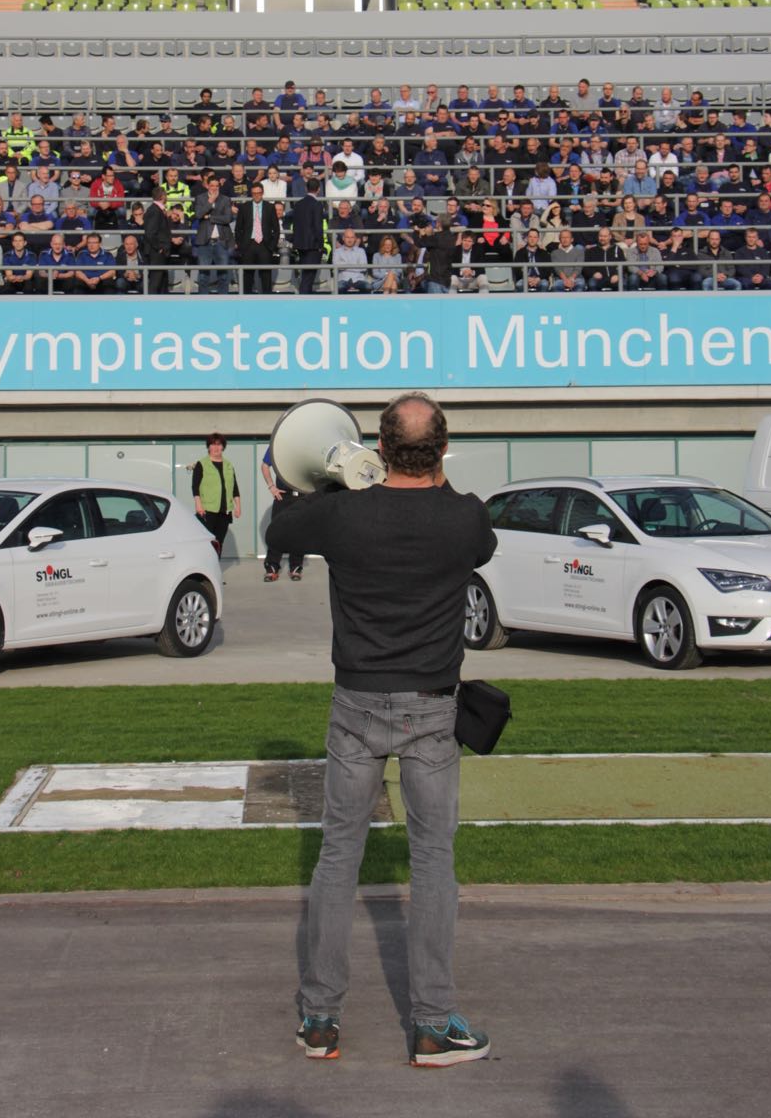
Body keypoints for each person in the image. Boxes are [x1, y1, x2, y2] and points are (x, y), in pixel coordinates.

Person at [265, 393, 496, 1067]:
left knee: (338, 857)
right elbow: (474, 534)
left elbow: (280, 531)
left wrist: (312, 479)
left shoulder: (343, 514)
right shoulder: (464, 517)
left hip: (356, 705)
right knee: (432, 862)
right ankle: (430, 1024)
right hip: (430, 712)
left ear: (382, 447)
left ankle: (319, 1018)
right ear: (441, 449)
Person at [260, 446, 304, 582]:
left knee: (299, 533)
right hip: (282, 497)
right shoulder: (277, 443)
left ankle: (296, 568)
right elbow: (265, 465)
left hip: (302, 496)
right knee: (277, 532)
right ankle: (272, 568)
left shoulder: (307, 443)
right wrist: (271, 486)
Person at [192, 433, 241, 552]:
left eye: (219, 445)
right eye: (212, 444)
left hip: (225, 511)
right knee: (207, 542)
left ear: (223, 447)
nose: (216, 448)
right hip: (207, 510)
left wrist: (238, 507)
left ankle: (215, 567)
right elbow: (195, 486)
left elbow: (235, 488)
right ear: (208, 447)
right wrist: (198, 505)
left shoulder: (229, 465)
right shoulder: (201, 464)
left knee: (219, 542)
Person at [235, 180, 280, 295]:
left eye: (259, 193)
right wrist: (241, 245)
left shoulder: (270, 207)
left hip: (265, 245)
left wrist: (271, 246)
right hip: (248, 245)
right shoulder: (244, 207)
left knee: (265, 275)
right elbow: (238, 228)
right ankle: (246, 300)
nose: (256, 195)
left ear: (262, 193)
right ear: (251, 194)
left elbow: (276, 229)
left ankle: (266, 299)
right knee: (248, 275)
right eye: (254, 193)